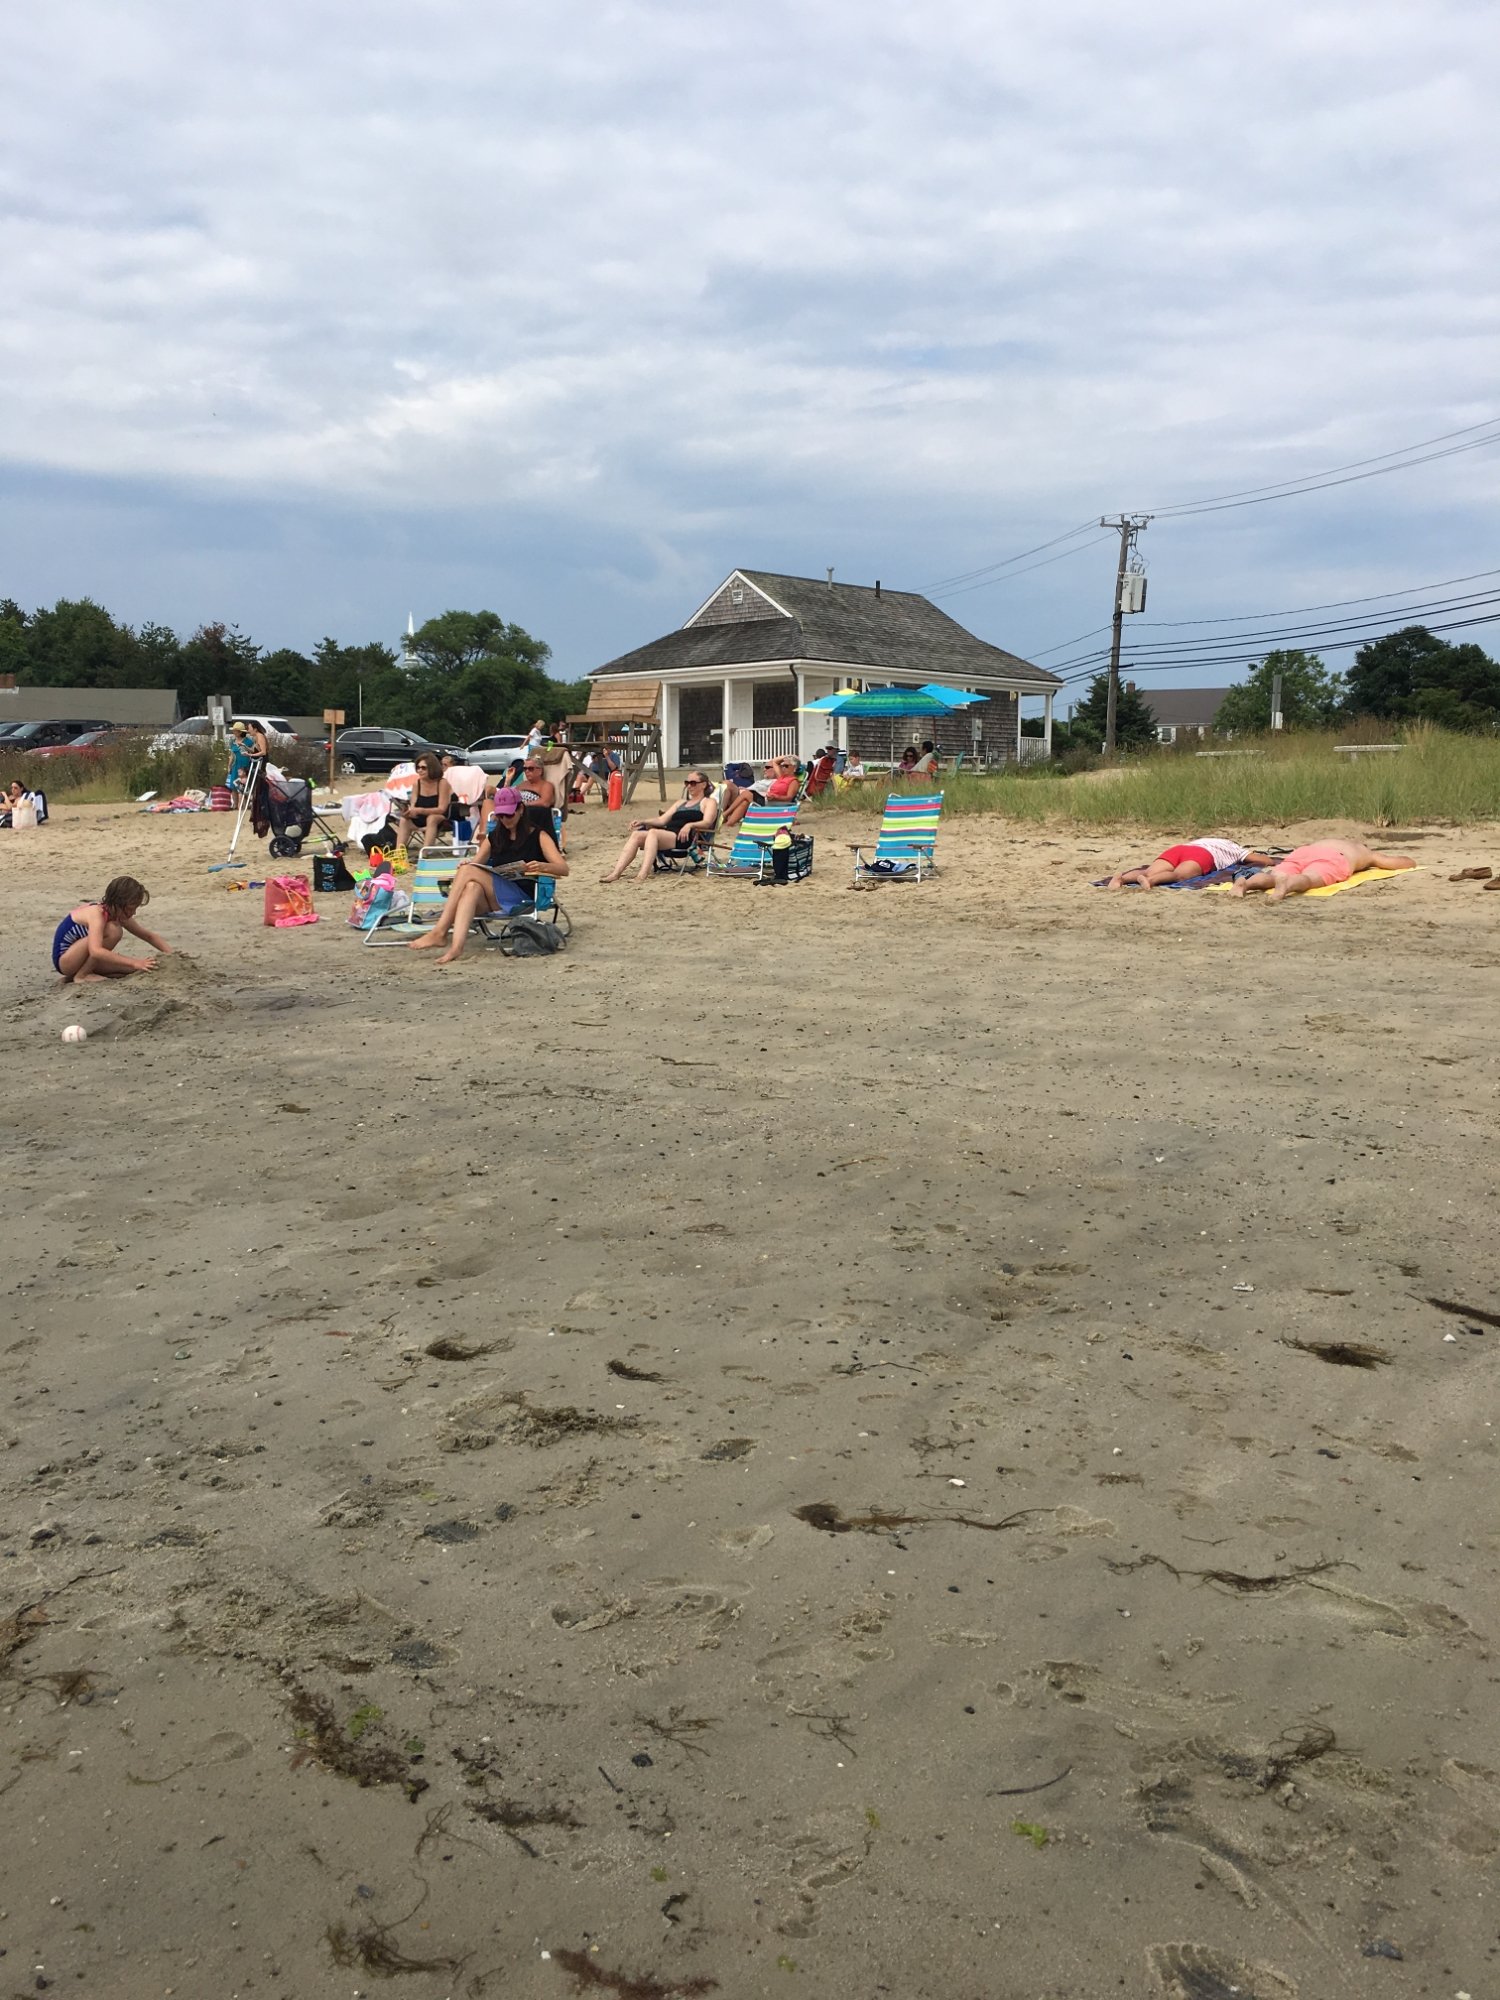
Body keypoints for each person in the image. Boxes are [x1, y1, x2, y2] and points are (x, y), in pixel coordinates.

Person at [408, 787, 567, 964]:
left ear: (521, 809)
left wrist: (544, 866)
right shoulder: (495, 836)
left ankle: (439, 931)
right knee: (471, 886)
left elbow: (563, 868)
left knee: (468, 871)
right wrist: (467, 864)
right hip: (497, 896)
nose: (505, 820)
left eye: (509, 814)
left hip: (524, 897)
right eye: (501, 816)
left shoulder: (538, 835)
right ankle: (456, 948)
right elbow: (476, 864)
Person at [599, 773, 719, 883]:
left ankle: (642, 876)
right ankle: (616, 873)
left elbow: (707, 822)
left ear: (703, 784)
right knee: (637, 835)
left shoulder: (708, 802)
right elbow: (662, 820)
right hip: (667, 834)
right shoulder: (680, 803)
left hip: (686, 838)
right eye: (687, 783)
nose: (689, 786)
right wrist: (642, 821)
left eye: (693, 783)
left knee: (653, 833)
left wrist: (689, 825)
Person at [52, 876, 172, 982]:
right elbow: (96, 951)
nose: (134, 913)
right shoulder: (96, 914)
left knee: (132, 970)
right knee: (114, 931)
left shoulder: (119, 914)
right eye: (131, 909)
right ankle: (82, 975)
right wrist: (135, 962)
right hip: (65, 960)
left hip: (81, 957)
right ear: (118, 903)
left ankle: (73, 976)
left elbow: (148, 936)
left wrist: (172, 955)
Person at [1230, 839, 1416, 903]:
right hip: (1333, 857)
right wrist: (1411, 862)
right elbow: (1397, 863)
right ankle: (1287, 886)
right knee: (1309, 878)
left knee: (1272, 876)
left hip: (1303, 851)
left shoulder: (1328, 841)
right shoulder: (1365, 852)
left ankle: (1245, 884)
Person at [1107, 838, 1253, 890]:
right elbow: (1262, 860)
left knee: (1149, 870)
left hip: (1180, 848)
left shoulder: (1205, 840)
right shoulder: (1234, 848)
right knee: (1178, 875)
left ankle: (1122, 878)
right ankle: (1151, 881)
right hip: (1203, 855)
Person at [397, 751, 449, 850]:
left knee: (432, 818)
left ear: (432, 768)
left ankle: (425, 854)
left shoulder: (442, 783)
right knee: (404, 820)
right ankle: (398, 853)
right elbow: (413, 805)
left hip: (441, 819)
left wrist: (420, 810)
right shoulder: (417, 784)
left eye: (423, 768)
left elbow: (442, 809)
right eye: (418, 767)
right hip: (420, 818)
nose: (420, 770)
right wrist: (409, 812)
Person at [225, 722, 255, 793]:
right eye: (234, 731)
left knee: (243, 787)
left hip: (244, 766)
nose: (234, 732)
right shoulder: (232, 741)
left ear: (240, 732)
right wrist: (229, 766)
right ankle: (235, 804)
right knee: (233, 787)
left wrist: (244, 746)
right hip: (235, 765)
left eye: (236, 731)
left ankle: (243, 803)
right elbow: (232, 754)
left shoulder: (248, 741)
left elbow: (253, 751)